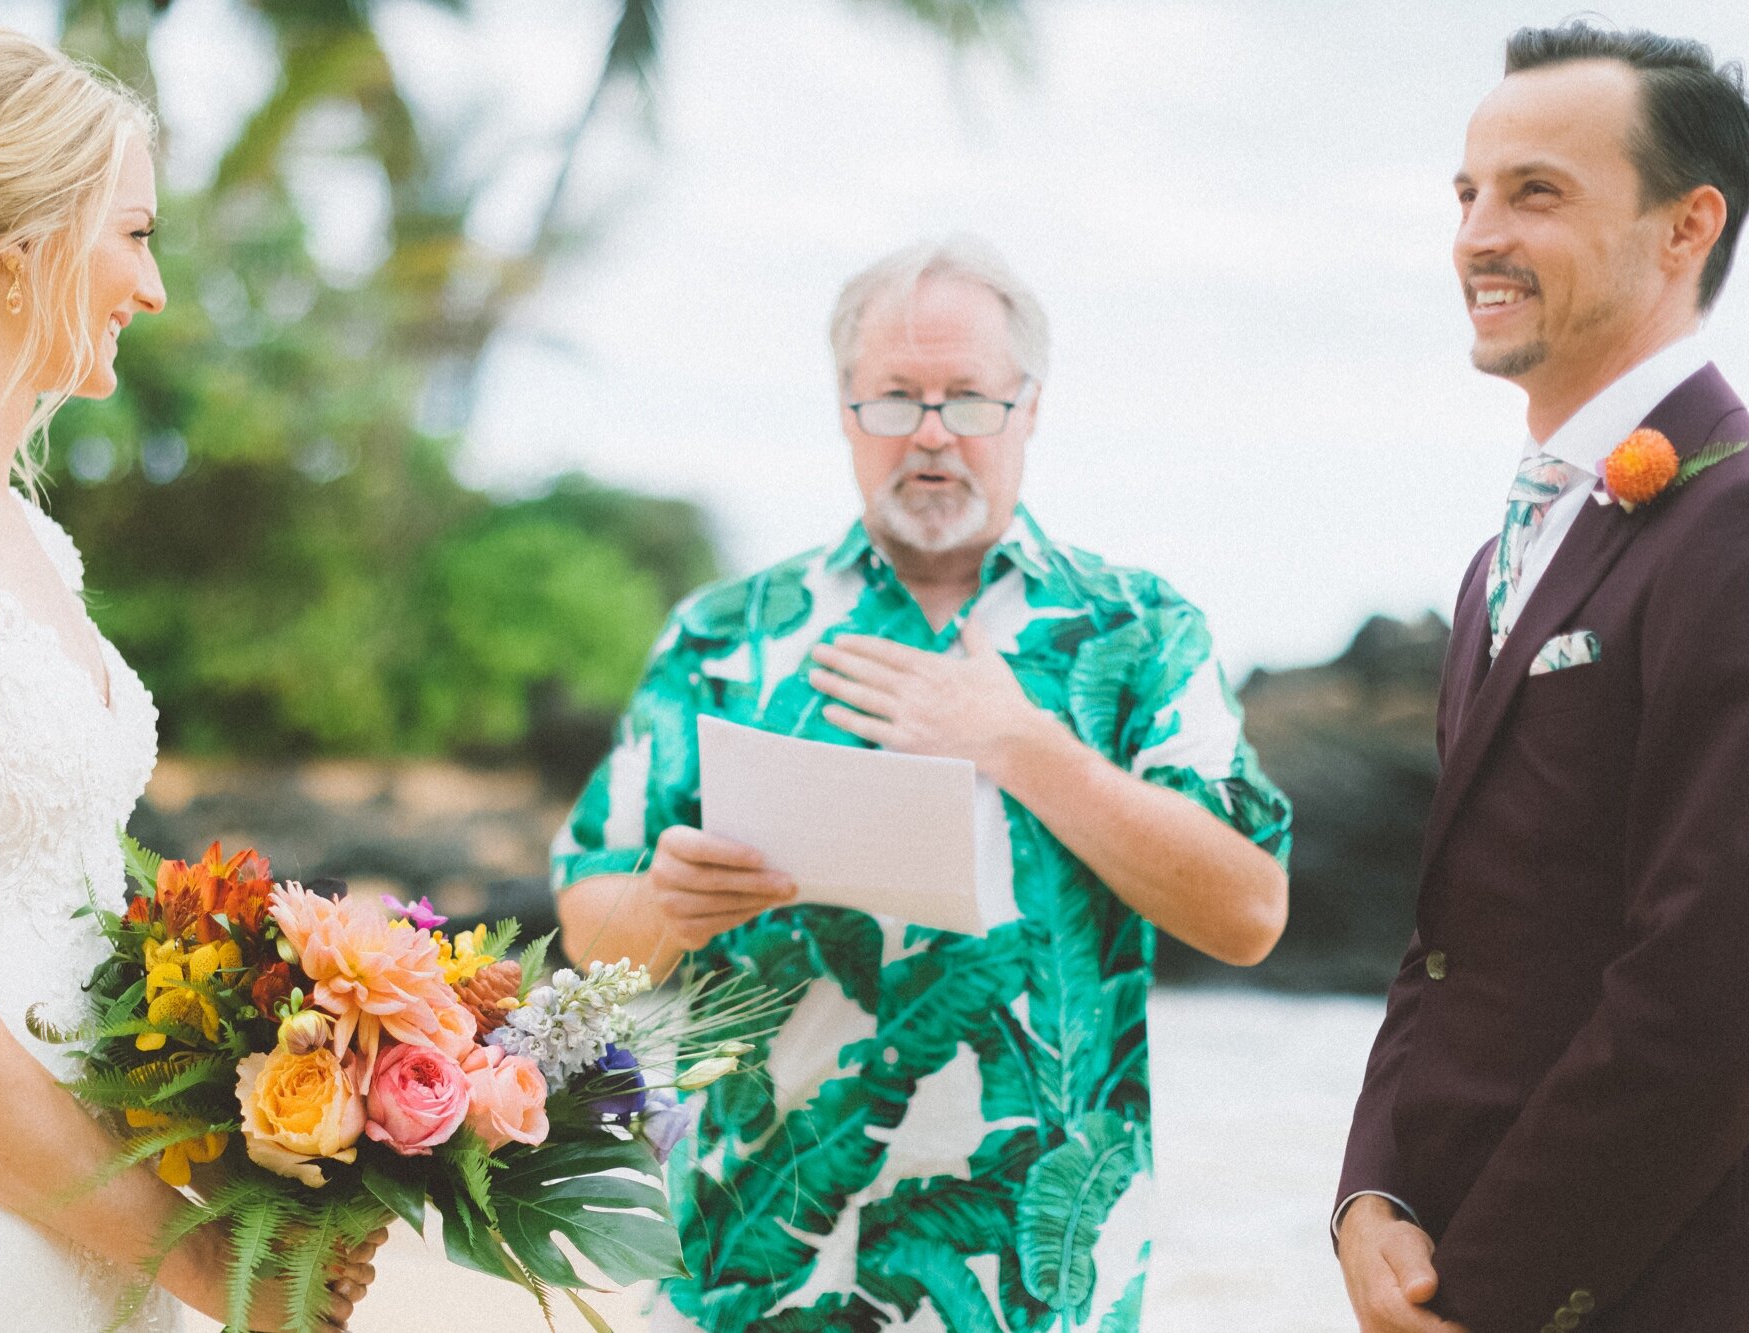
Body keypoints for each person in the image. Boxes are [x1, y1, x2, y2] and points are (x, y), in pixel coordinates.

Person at [0, 27, 381, 1331]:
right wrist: (204, 1264)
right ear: (20, 237)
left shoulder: (23, 535)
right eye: (134, 234)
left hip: (80, 1213)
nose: (151, 288)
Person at [553, 235, 1292, 1333]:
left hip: (1030, 1285)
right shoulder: (722, 635)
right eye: (895, 398)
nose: (933, 433)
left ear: (1027, 409)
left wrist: (1020, 744)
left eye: (968, 399)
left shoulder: (1136, 631)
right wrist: (666, 903)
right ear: (845, 411)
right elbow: (589, 932)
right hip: (745, 1265)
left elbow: (1246, 913)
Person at [1336, 22, 1749, 1333]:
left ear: (1688, 228)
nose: (1476, 237)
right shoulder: (1494, 564)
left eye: (1537, 193)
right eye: (1468, 193)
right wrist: (1370, 1193)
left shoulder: (1733, 523)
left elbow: (1705, 991)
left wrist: (1492, 1296)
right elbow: (1443, 935)